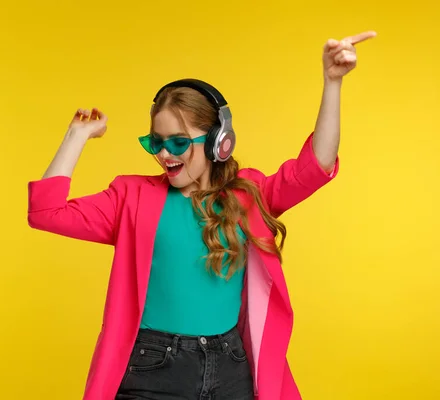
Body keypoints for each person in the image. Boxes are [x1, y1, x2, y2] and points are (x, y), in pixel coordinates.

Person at [28, 31, 376, 400]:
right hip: (152, 367)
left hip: (229, 366)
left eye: (179, 142)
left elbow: (315, 168)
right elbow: (46, 213)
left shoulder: (247, 195)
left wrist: (332, 82)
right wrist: (76, 135)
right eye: (155, 143)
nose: (165, 154)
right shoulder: (131, 196)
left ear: (218, 141)